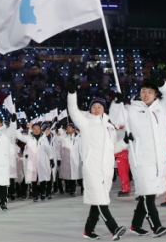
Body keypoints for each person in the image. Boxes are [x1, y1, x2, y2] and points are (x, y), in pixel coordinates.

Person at [109, 73, 166, 238]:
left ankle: (136, 225)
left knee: (150, 194)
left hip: (158, 160)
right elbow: (115, 119)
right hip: (141, 159)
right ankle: (156, 226)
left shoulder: (161, 108)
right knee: (147, 195)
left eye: (150, 92)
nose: (145, 94)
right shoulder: (131, 109)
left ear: (156, 94)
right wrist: (117, 103)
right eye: (143, 91)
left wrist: (162, 83)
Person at [68, 82, 128, 241]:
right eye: (93, 107)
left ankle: (88, 231)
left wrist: (125, 142)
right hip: (92, 168)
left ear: (104, 109)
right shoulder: (85, 123)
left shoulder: (110, 127)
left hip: (106, 170)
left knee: (97, 201)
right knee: (101, 200)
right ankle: (114, 229)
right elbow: (73, 111)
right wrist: (72, 93)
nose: (96, 109)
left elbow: (113, 148)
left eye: (99, 107)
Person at [16, 121, 53, 202]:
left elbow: (48, 149)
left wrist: (51, 159)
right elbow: (19, 136)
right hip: (32, 162)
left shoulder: (44, 138)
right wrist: (17, 126)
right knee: (33, 179)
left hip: (41, 161)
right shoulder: (29, 138)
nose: (36, 130)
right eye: (34, 129)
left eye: (38, 129)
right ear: (32, 130)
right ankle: (35, 195)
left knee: (42, 179)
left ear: (40, 129)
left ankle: (43, 193)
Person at [56, 122, 83, 198]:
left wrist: (83, 160)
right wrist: (59, 158)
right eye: (67, 128)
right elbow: (60, 148)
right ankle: (72, 191)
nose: (68, 129)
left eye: (70, 128)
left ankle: (83, 189)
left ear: (74, 129)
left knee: (79, 177)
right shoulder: (65, 138)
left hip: (77, 160)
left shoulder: (79, 138)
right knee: (71, 177)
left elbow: (81, 150)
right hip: (67, 160)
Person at [114, 125, 131, 196]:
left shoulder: (114, 130)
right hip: (130, 153)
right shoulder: (129, 127)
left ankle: (126, 189)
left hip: (122, 153)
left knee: (123, 173)